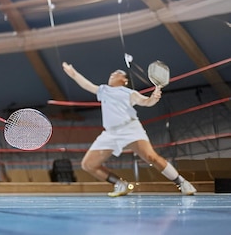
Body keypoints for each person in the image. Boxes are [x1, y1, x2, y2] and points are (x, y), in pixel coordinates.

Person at [61, 62, 196, 197]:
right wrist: (73, 73)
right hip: (110, 133)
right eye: (112, 74)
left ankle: (182, 182)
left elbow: (146, 102)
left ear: (124, 80)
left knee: (151, 157)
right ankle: (120, 184)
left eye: (117, 73)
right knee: (88, 164)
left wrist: (153, 98)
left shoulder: (130, 93)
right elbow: (86, 84)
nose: (113, 74)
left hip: (130, 128)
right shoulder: (103, 90)